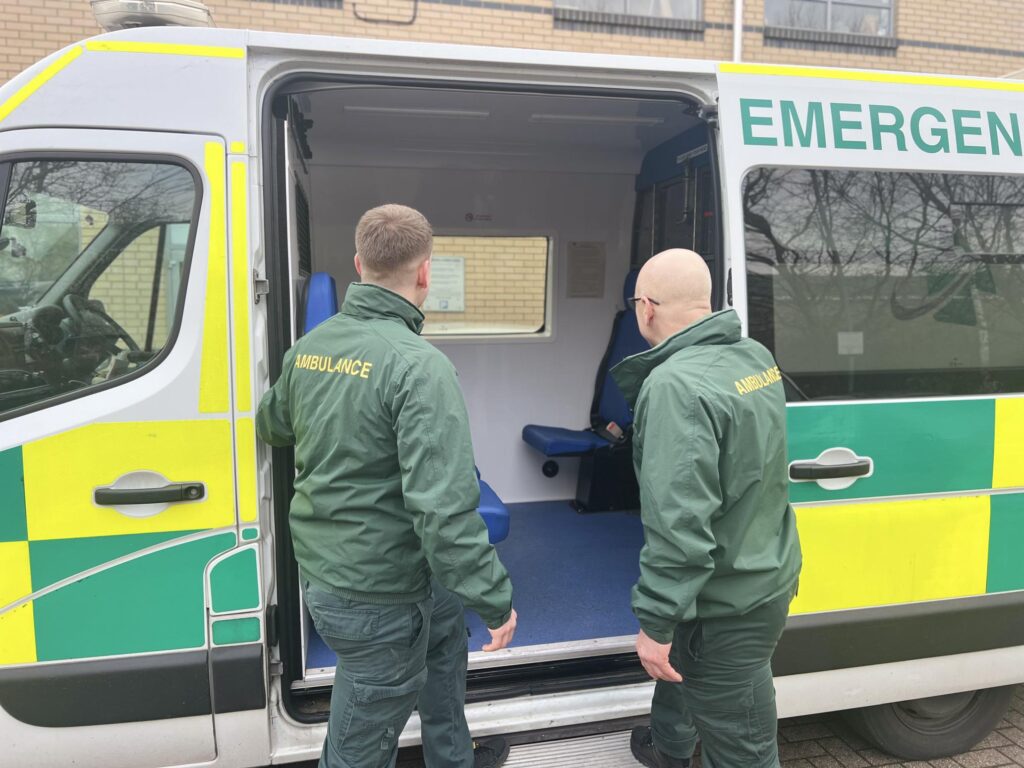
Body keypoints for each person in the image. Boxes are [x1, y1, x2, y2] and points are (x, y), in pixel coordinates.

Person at [256, 204, 517, 768]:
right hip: (380, 595)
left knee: (445, 655)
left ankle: (454, 757)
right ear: (427, 273)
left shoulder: (309, 349)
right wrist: (495, 601)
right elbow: (444, 511)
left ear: (358, 263)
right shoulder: (419, 365)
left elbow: (271, 425)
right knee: (359, 746)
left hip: (369, 575)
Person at [611, 249, 802, 768]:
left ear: (645, 308)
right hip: (762, 572)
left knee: (744, 746)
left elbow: (680, 529)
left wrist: (655, 625)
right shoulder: (753, 356)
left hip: (725, 604)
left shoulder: (676, 387)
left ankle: (678, 747)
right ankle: (669, 749)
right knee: (686, 676)